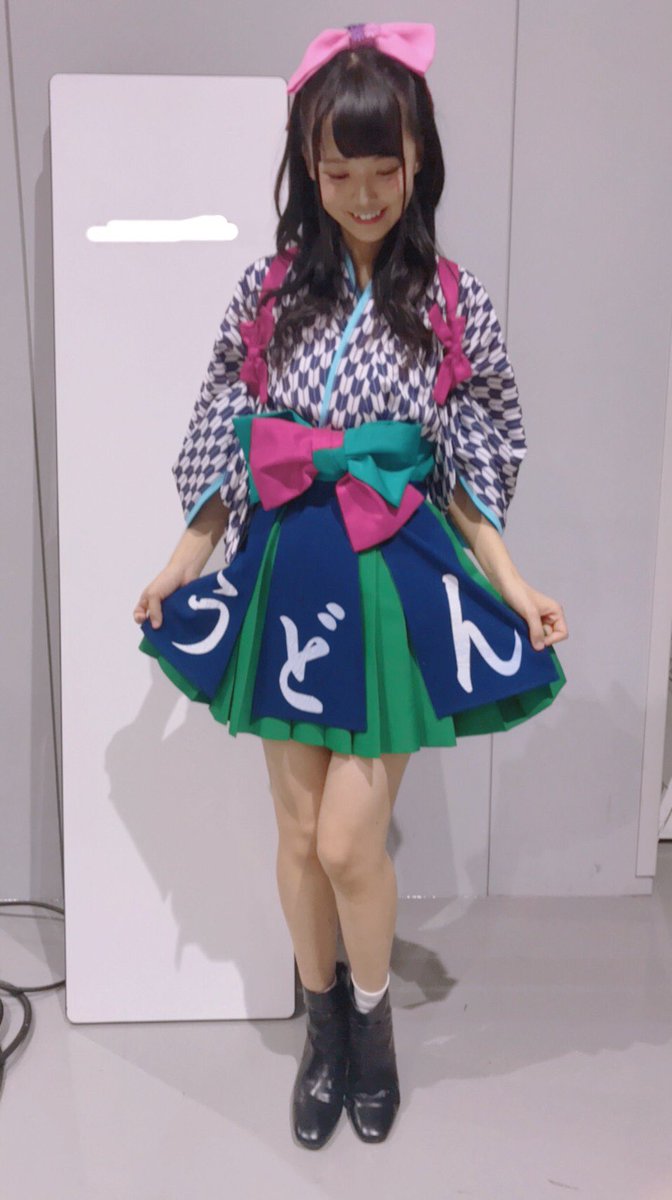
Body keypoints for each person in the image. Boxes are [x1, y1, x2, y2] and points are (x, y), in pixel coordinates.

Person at [133, 21, 568, 1150]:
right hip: (287, 571)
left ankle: (372, 1027)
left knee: (344, 841)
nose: (364, 195)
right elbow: (233, 439)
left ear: (419, 158)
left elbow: (466, 475)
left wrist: (516, 583)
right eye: (338, 171)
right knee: (294, 832)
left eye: (384, 168)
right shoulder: (269, 292)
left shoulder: (455, 305)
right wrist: (181, 563)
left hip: (390, 579)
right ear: (307, 168)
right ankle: (322, 1031)